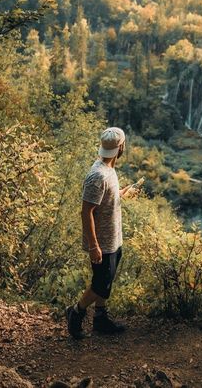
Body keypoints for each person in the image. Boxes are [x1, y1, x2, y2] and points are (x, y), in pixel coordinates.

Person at [66, 126, 137, 340]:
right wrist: (93, 245)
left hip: (113, 239)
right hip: (102, 242)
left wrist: (123, 193)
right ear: (121, 147)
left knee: (106, 280)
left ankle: (100, 318)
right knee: (100, 283)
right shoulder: (97, 176)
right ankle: (76, 312)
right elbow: (86, 212)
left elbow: (106, 199)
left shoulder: (109, 168)